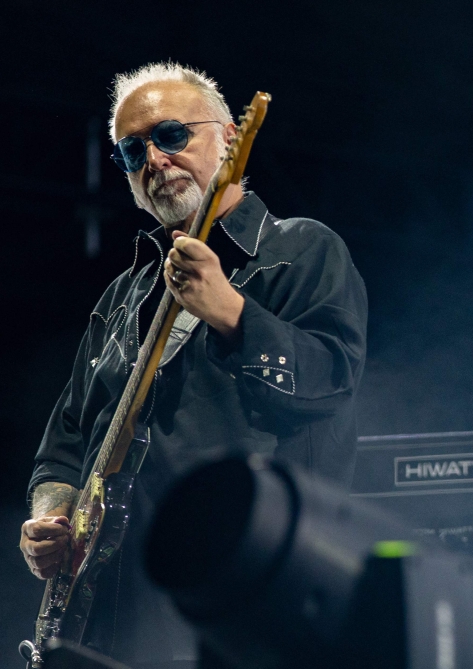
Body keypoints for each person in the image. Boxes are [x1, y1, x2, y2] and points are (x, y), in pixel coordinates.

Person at [18, 62, 368, 667]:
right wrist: (50, 518)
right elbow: (66, 443)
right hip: (114, 612)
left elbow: (332, 380)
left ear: (231, 138)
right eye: (132, 151)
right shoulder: (121, 298)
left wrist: (232, 312)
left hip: (243, 596)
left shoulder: (302, 251)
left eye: (172, 135)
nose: (154, 159)